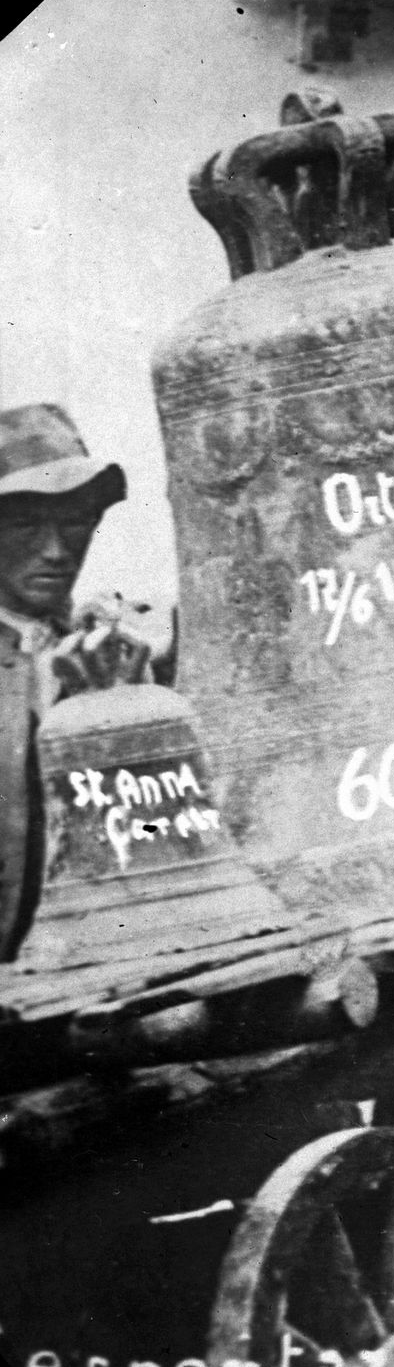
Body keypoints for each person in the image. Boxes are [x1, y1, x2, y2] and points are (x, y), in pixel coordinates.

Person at [0, 404, 154, 960]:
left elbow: (150, 829)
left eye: (74, 523)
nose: (56, 551)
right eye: (24, 526)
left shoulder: (109, 651)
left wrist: (128, 706)